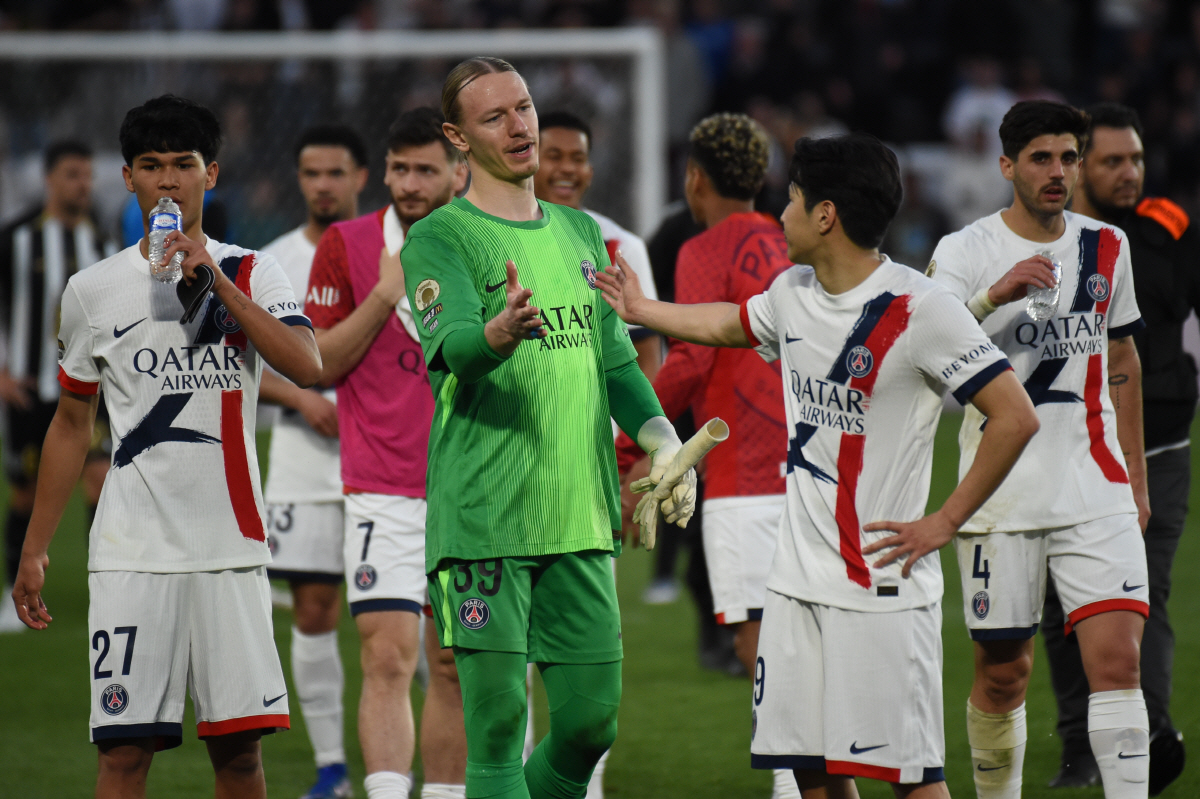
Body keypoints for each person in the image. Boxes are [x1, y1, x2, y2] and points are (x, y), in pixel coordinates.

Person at [596, 132, 1038, 799]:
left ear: (826, 214)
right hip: (795, 585)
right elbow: (725, 323)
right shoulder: (792, 291)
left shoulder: (921, 308)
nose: (782, 213)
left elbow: (1015, 415)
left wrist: (945, 520)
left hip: (881, 591)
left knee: (912, 782)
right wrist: (639, 309)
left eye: (795, 198)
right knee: (812, 775)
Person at [11, 94, 322, 798]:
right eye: (151, 166)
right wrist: (34, 547)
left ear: (211, 173)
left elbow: (307, 365)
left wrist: (210, 278)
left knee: (240, 758)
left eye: (184, 164)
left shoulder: (254, 272)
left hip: (231, 551)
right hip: (131, 556)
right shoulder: (92, 291)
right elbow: (70, 422)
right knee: (123, 757)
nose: (169, 181)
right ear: (128, 179)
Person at [400, 56, 693, 799]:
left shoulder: (581, 232)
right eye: (494, 116)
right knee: (497, 728)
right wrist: (497, 333)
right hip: (485, 517)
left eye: (523, 106)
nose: (519, 124)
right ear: (457, 139)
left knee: (593, 724)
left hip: (580, 513)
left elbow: (618, 365)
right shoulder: (441, 238)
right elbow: (456, 349)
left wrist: (661, 439)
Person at [929, 100, 1152, 799]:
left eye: (1067, 158)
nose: (1057, 172)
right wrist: (995, 294)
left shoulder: (1107, 246)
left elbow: (1122, 357)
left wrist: (1136, 480)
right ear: (1006, 167)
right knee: (1004, 672)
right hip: (1002, 497)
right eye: (1040, 159)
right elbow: (931, 362)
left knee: (1116, 664)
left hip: (1097, 487)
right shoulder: (964, 252)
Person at [612, 111, 795, 799]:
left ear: (693, 179)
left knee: (754, 640)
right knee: (804, 629)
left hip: (742, 472)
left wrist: (630, 441)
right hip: (805, 462)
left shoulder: (699, 249)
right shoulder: (789, 239)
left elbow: (688, 357)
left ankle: (792, 780)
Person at [304, 107, 469, 799]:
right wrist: (382, 293)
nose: (407, 182)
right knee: (386, 655)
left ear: (461, 171)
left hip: (472, 486)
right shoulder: (346, 244)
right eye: (399, 168)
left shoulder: (489, 243)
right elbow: (317, 364)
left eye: (425, 168)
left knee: (456, 664)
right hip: (382, 487)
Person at [1043, 102, 1192, 795]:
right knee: (1057, 606)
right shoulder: (1053, 242)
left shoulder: (1170, 231)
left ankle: (1149, 744)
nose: (1128, 172)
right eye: (1110, 161)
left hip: (1158, 446)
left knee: (1144, 596)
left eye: (1133, 158)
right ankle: (1079, 746)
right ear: (1079, 170)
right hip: (1069, 448)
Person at [530, 108, 664, 799]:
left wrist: (640, 456)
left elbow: (642, 356)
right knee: (498, 652)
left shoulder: (618, 245)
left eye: (576, 156)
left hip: (590, 472)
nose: (565, 169)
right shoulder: (493, 237)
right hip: (511, 466)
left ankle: (587, 785)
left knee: (587, 646)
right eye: (552, 154)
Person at [259, 124, 368, 799]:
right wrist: (299, 398)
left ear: (362, 176)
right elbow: (241, 362)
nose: (322, 185)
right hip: (302, 460)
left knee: (414, 615)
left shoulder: (391, 248)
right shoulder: (270, 261)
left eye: (335, 172)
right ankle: (332, 765)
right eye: (310, 173)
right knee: (314, 607)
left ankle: (454, 755)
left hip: (388, 460)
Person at [0, 140, 116, 633]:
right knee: (26, 492)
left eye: (87, 175)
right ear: (49, 179)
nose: (83, 184)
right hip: (33, 388)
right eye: (72, 174)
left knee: (101, 481)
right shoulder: (16, 238)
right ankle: (14, 596)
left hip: (91, 392)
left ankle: (108, 592)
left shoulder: (106, 241)